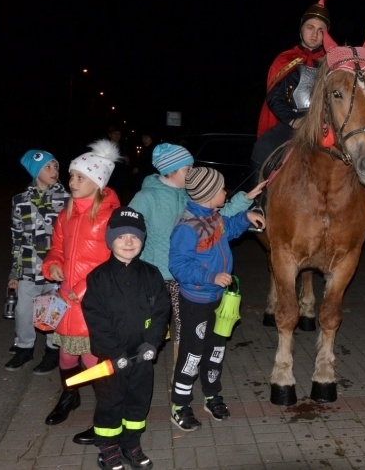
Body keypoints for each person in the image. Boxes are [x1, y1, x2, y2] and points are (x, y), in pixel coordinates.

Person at [129, 144, 266, 368]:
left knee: (184, 329)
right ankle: (138, 369)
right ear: (171, 171)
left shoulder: (189, 195)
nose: (192, 173)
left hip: (184, 277)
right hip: (154, 275)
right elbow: (127, 230)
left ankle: (179, 372)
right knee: (150, 327)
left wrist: (245, 200)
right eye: (187, 169)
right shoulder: (146, 197)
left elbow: (217, 220)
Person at [168, 167, 265, 432]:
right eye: (222, 189)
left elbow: (229, 230)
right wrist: (210, 276)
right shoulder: (187, 228)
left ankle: (212, 395)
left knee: (216, 350)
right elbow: (178, 265)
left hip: (219, 299)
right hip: (197, 301)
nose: (226, 192)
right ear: (209, 195)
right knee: (192, 353)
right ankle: (180, 404)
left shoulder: (214, 217)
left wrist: (246, 217)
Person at [42, 139, 122, 445]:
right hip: (67, 299)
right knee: (65, 355)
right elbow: (57, 249)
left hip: (94, 301)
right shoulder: (66, 214)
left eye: (79, 177)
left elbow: (116, 260)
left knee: (92, 360)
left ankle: (108, 414)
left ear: (98, 182)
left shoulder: (110, 217)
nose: (72, 182)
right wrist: (53, 265)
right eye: (71, 176)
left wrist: (84, 287)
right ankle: (69, 395)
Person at [83, 206, 171, 470]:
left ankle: (131, 444)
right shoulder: (99, 277)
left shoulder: (151, 274)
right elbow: (96, 318)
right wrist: (114, 352)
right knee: (110, 403)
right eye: (121, 236)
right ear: (110, 240)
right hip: (112, 360)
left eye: (134, 236)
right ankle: (108, 448)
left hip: (141, 357)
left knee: (138, 402)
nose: (129, 242)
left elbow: (161, 311)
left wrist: (152, 343)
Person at [251, 0, 330, 181]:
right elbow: (274, 97)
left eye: (321, 30)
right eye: (310, 27)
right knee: (262, 147)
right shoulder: (286, 59)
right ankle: (258, 194)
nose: (314, 34)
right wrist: (293, 121)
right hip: (293, 122)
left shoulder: (331, 63)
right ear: (301, 29)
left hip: (323, 124)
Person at [5, 149, 70, 373]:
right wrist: (14, 273)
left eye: (56, 166)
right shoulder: (20, 201)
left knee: (53, 309)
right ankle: (24, 347)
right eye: (48, 167)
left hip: (56, 269)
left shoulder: (67, 200)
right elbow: (17, 238)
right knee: (23, 310)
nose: (54, 171)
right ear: (35, 172)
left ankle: (52, 351)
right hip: (28, 267)